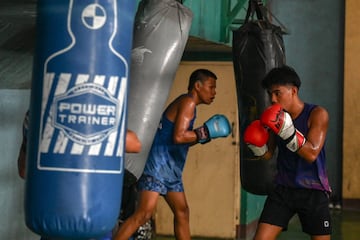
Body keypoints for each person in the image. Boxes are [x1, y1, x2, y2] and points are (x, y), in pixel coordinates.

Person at [113, 69, 231, 240]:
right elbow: (179, 136)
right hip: (157, 167)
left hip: (170, 170)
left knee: (182, 212)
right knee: (144, 214)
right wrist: (205, 132)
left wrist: (203, 135)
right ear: (197, 86)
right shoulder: (188, 102)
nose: (214, 92)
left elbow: (183, 138)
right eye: (211, 87)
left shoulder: (188, 104)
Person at [17, 110, 142, 240]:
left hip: (65, 216)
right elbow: (135, 144)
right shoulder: (83, 111)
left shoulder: (43, 112)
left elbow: (135, 145)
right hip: (84, 213)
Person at [243, 65, 332, 240]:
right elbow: (269, 154)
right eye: (270, 94)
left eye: (278, 93)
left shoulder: (317, 114)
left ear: (293, 91)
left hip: (313, 189)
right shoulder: (276, 117)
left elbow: (312, 154)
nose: (273, 99)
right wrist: (257, 147)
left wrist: (289, 133)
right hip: (284, 189)